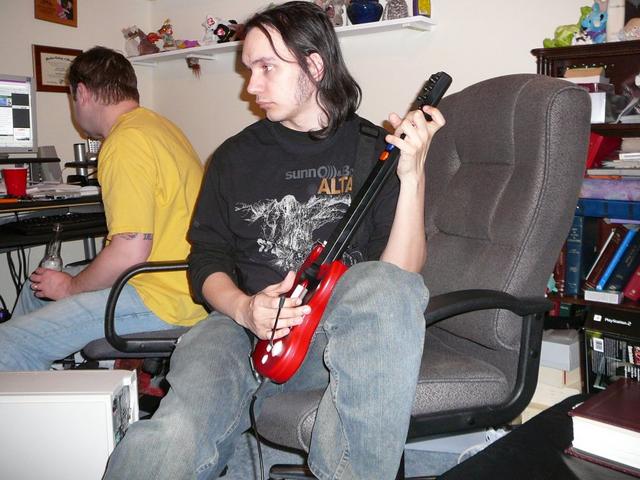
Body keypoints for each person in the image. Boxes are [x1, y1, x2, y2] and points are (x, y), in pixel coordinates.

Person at [105, 2, 445, 479]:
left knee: (389, 288)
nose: (252, 86)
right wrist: (245, 309)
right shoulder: (232, 158)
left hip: (330, 340)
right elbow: (206, 259)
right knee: (174, 434)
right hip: (235, 332)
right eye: (250, 69)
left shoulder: (375, 150)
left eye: (266, 67)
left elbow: (398, 280)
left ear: (314, 65)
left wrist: (413, 177)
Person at [0, 46, 207, 371]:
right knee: (36, 287)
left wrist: (70, 287)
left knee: (8, 343)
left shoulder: (124, 142)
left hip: (161, 297)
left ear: (82, 93)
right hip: (186, 285)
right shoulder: (159, 127)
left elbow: (130, 253)